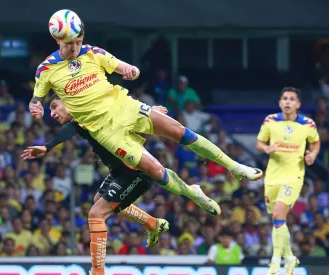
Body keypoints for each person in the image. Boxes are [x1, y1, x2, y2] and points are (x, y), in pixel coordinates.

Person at [28, 18, 262, 210]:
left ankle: (234, 166)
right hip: (105, 132)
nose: (74, 48)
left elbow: (124, 67)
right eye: (69, 43)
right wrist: (35, 106)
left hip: (124, 107)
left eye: (78, 41)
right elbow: (36, 99)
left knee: (177, 130)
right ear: (57, 39)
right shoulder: (46, 70)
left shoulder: (92, 52)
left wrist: (131, 70)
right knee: (156, 171)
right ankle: (193, 193)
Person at [22, 94, 221, 275]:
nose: (53, 113)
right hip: (120, 172)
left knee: (96, 214)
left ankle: (98, 272)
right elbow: (70, 129)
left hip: (135, 170)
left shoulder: (93, 111)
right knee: (98, 200)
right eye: (50, 111)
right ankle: (153, 223)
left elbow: (124, 106)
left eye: (55, 106)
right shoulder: (82, 119)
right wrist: (47, 146)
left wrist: (150, 113)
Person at [256, 87, 320, 275]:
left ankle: (275, 262)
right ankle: (290, 256)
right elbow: (259, 143)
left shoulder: (308, 124)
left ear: (298, 104)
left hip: (294, 177)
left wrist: (313, 154)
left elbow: (315, 142)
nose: (287, 102)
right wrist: (266, 149)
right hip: (272, 177)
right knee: (278, 221)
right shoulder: (270, 120)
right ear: (279, 102)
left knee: (278, 215)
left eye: (292, 99)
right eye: (284, 98)